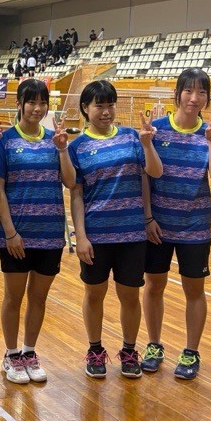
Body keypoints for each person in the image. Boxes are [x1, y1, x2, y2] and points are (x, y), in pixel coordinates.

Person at [69, 81, 162, 379]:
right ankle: (95, 350)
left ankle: (129, 350)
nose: (106, 111)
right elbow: (76, 195)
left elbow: (152, 174)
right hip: (96, 235)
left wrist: (147, 144)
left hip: (132, 234)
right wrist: (80, 236)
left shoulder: (133, 137)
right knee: (94, 294)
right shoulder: (76, 147)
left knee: (130, 295)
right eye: (99, 105)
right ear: (85, 108)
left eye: (110, 105)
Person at [141, 69, 211, 381]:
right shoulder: (157, 129)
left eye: (201, 92)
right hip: (158, 226)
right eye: (189, 91)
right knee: (154, 286)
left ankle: (191, 351)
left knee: (195, 290)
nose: (195, 98)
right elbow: (145, 178)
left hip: (196, 226)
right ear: (177, 94)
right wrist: (148, 218)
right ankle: (154, 345)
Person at [0, 79, 76, 384]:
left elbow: (70, 182)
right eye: (31, 102)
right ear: (19, 104)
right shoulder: (4, 141)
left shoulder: (56, 140)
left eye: (42, 103)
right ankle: (11, 354)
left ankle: (29, 351)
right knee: (13, 298)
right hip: (17, 236)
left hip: (50, 234)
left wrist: (63, 150)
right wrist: (10, 232)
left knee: (38, 299)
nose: (37, 108)